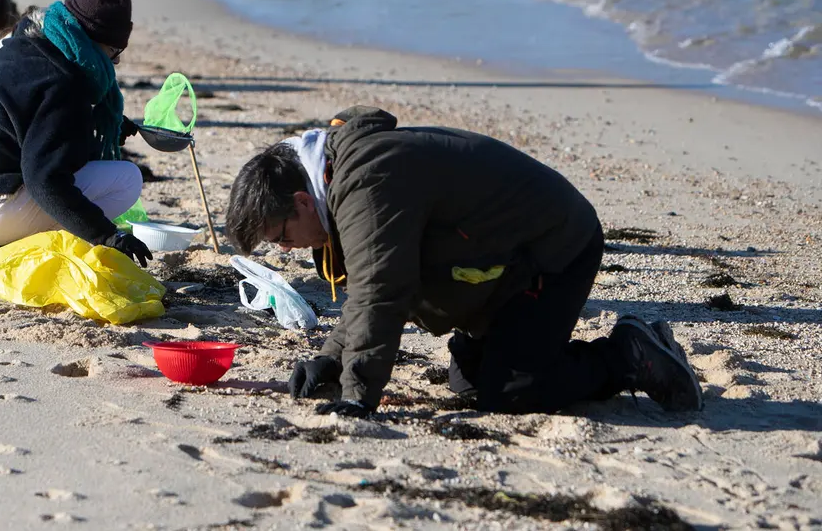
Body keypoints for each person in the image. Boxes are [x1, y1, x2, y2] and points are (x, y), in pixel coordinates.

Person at [225, 106, 703, 418]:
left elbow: (382, 291)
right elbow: (371, 285)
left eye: (281, 237)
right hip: (499, 261)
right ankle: (537, 350)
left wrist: (356, 396)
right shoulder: (337, 175)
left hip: (554, 248)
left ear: (302, 201)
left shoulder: (366, 181)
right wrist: (329, 360)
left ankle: (629, 354)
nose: (286, 250)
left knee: (512, 392)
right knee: (470, 384)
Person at [0, 0, 148, 265]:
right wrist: (107, 235)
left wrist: (94, 124)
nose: (115, 62)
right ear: (98, 43)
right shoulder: (65, 82)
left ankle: (8, 239)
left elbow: (24, 122)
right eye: (114, 52)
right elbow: (45, 180)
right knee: (126, 179)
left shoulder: (23, 40)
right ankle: (16, 246)